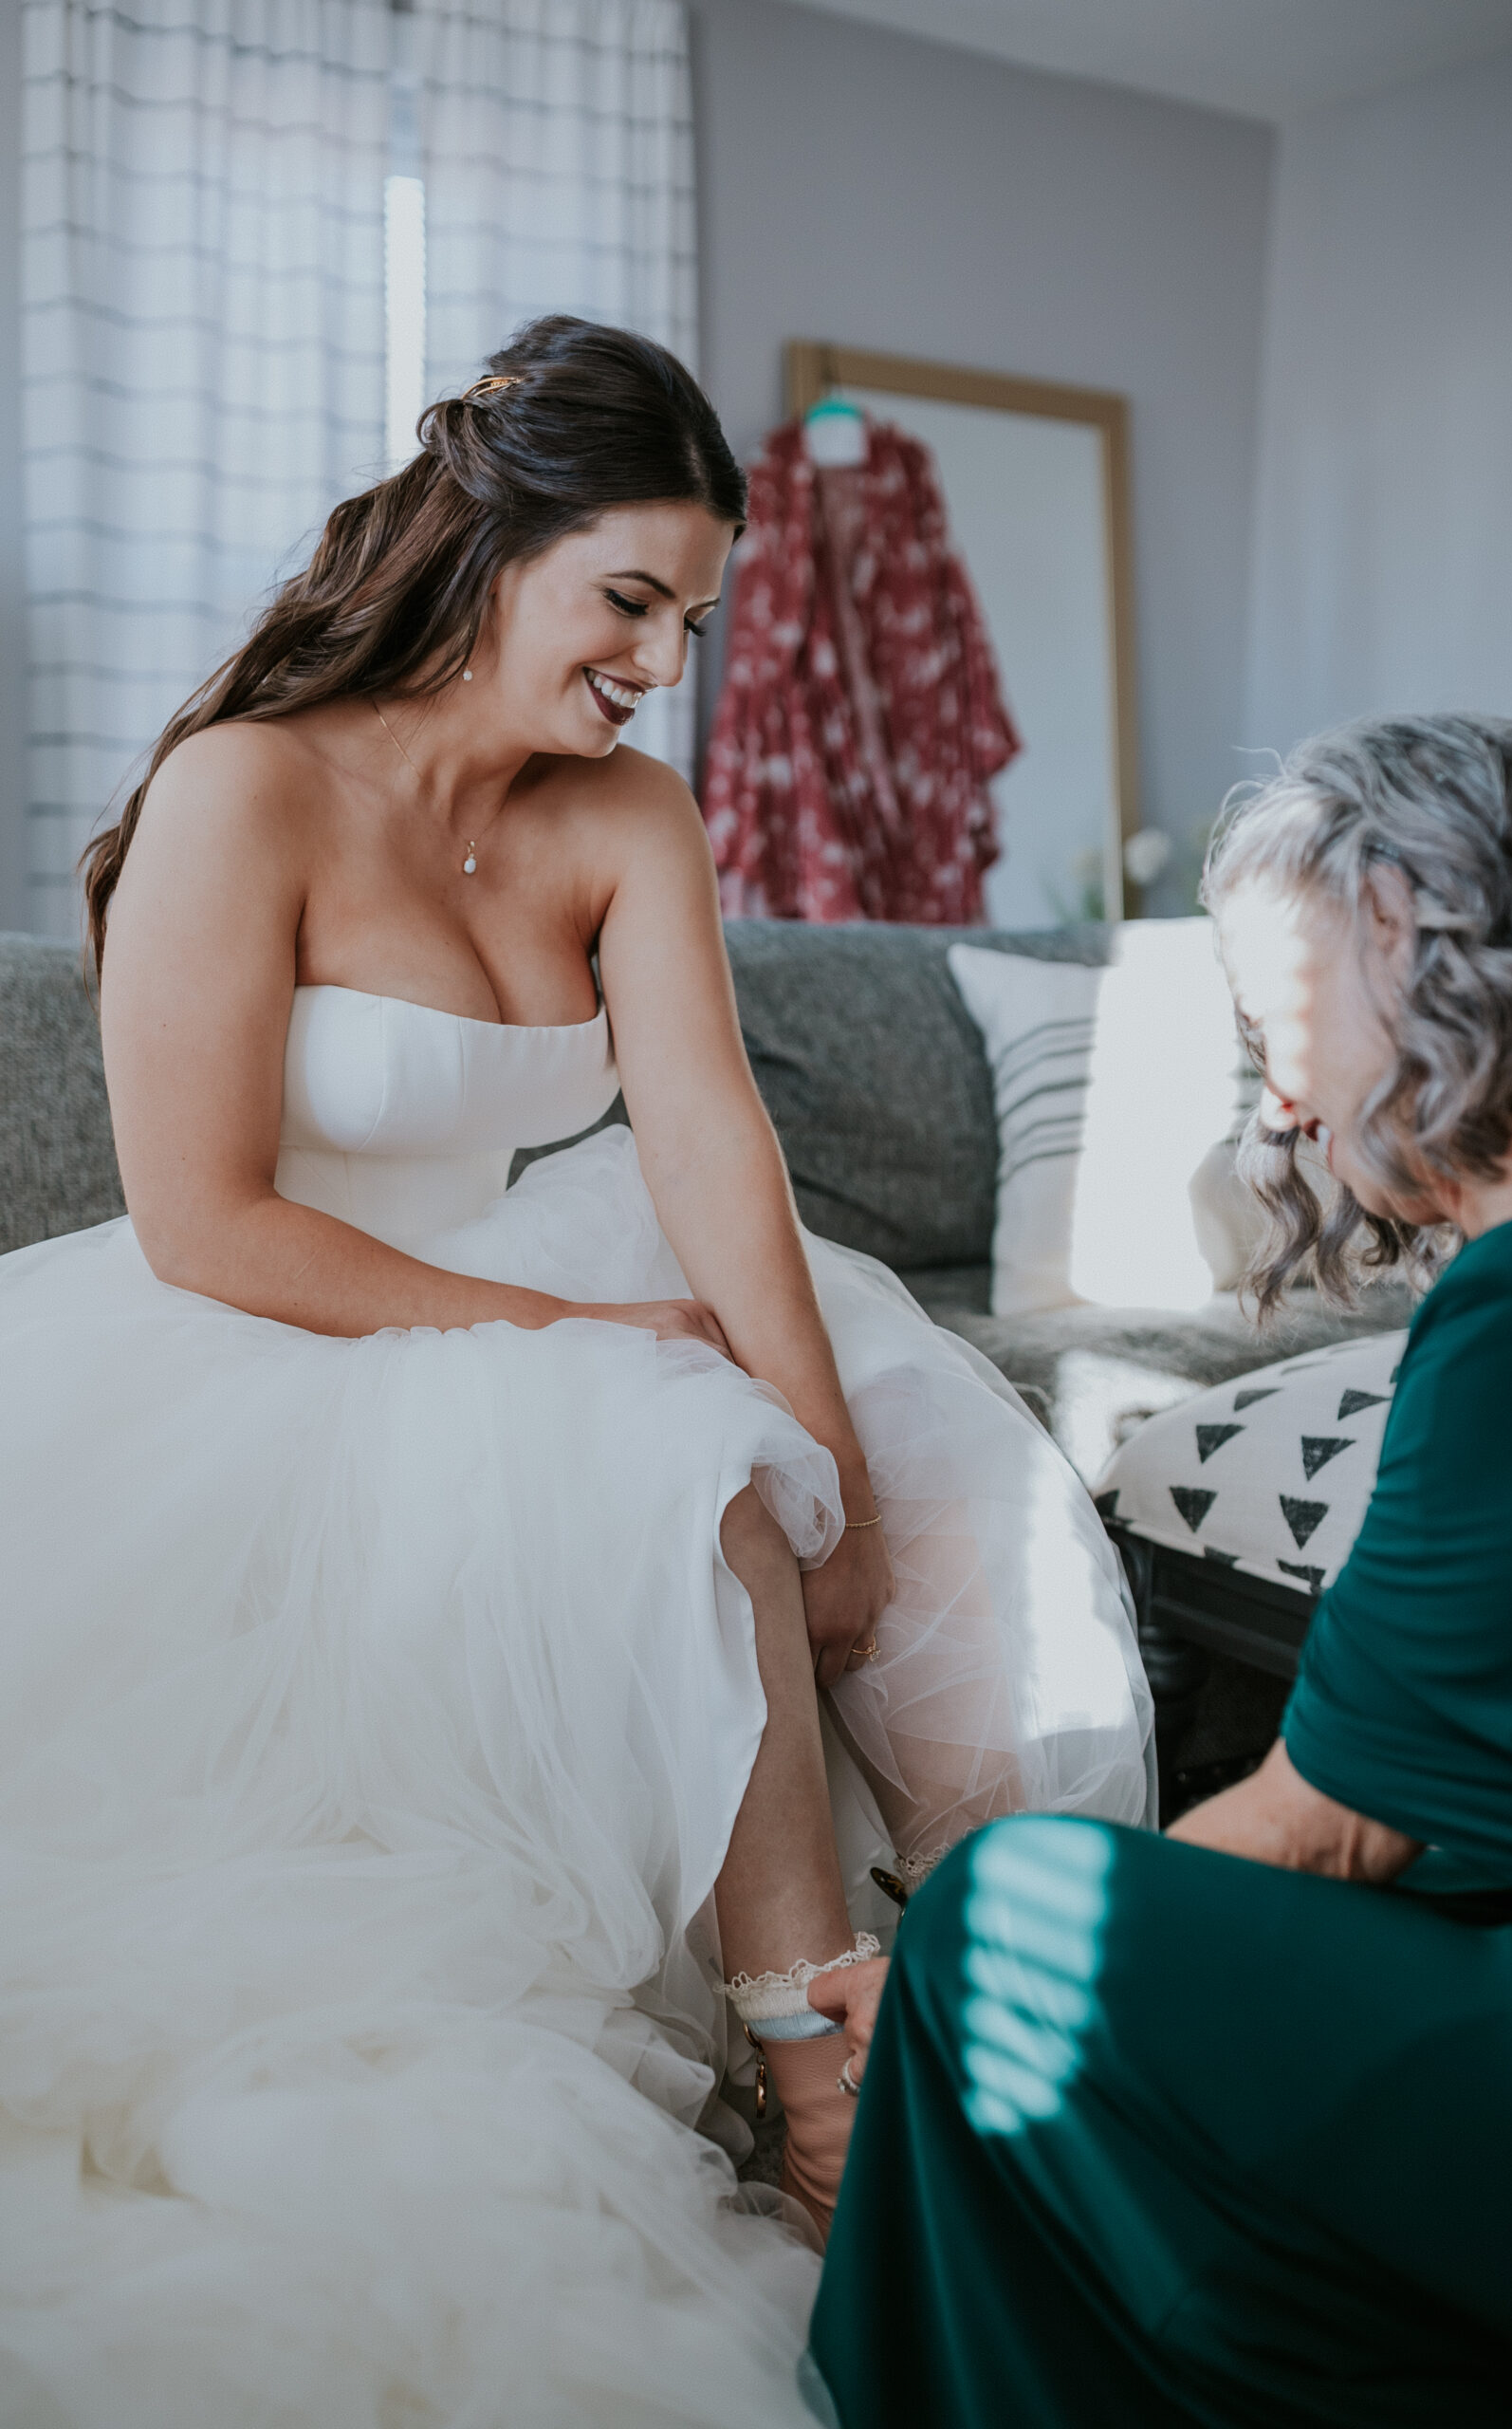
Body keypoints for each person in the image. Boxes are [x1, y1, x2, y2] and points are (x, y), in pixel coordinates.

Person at [0, 317, 1151, 2426]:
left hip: (515, 1305)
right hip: (267, 1325)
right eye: (625, 595)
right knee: (660, 1429)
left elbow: (714, 1142)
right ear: (485, 537)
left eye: (687, 617)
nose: (656, 655)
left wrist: (834, 1470)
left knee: (782, 1441)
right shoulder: (243, 783)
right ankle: (824, 2076)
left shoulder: (629, 814)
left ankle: (1017, 2001)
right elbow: (204, 1219)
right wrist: (594, 1346)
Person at [809, 714, 1512, 2427]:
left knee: (1007, 1922)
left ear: (1397, 922)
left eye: (1272, 1026)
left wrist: (939, 2002)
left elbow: (1326, 1826)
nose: (1286, 1107)